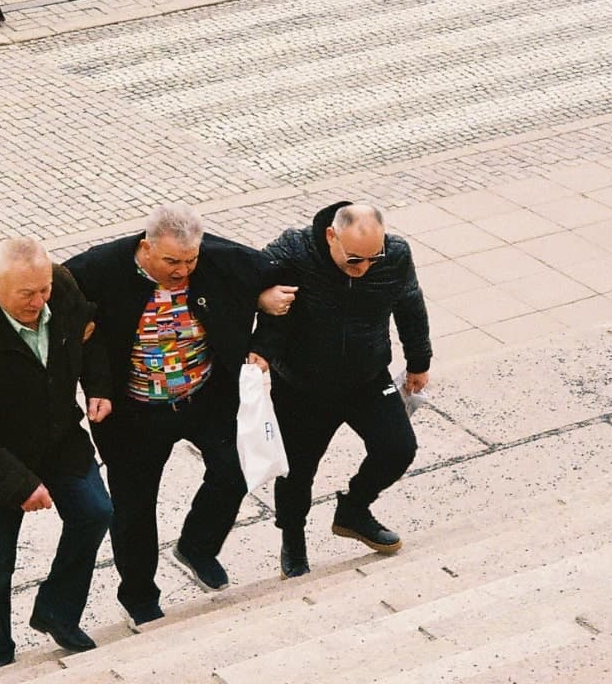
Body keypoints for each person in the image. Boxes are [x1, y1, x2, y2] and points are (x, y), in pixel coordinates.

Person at [65, 205, 294, 624]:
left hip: (204, 396)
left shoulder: (218, 256)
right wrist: (89, 369)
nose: (182, 271)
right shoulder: (100, 267)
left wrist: (265, 341)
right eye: (171, 261)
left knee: (235, 469)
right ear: (145, 247)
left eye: (190, 261)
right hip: (134, 411)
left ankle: (197, 546)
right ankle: (139, 597)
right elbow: (47, 292)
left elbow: (286, 279)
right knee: (134, 509)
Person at [0, 237, 113, 670]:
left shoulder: (62, 288)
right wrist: (19, 482)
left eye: (43, 290)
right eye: (27, 294)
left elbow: (89, 335)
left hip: (58, 438)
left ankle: (57, 609)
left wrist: (99, 387)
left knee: (95, 512)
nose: (39, 301)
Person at [254, 202, 431, 574]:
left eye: (372, 258)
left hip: (366, 377)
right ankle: (293, 539)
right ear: (331, 236)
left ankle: (353, 510)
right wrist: (260, 297)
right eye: (354, 261)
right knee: (297, 473)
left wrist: (419, 361)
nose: (364, 269)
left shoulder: (395, 255)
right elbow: (239, 277)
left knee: (398, 448)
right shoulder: (294, 250)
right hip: (302, 385)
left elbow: (410, 303)